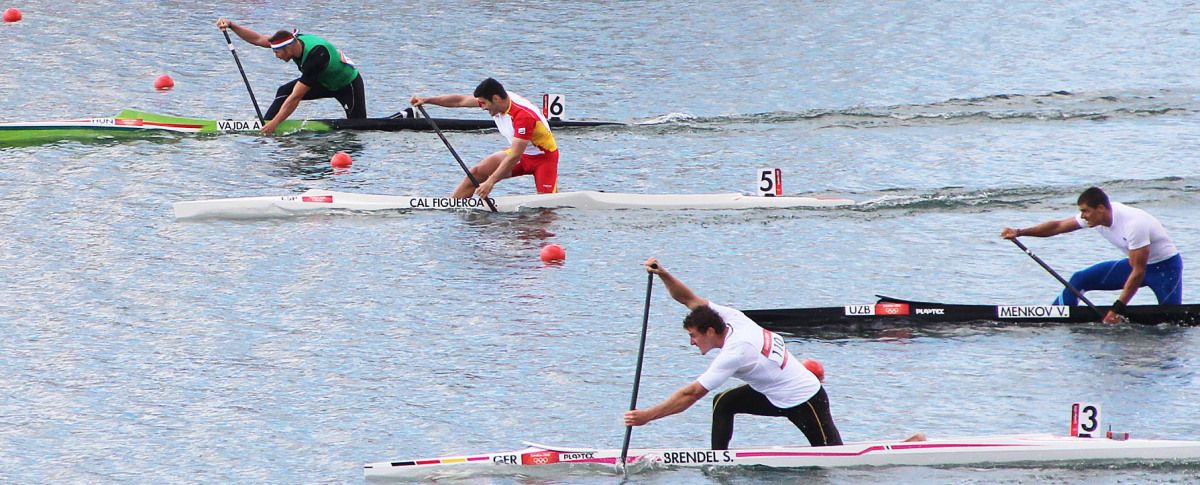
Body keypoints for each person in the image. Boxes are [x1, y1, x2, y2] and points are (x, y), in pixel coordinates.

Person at [622, 257, 843, 450]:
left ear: (710, 331)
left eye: (693, 336)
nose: (691, 342)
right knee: (724, 402)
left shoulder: (735, 352)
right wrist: (664, 274)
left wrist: (647, 416)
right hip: (773, 394)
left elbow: (691, 394)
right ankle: (720, 460)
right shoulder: (730, 317)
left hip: (805, 400)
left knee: (834, 457)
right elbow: (688, 299)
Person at [1001, 186, 1183, 323]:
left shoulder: (1134, 224)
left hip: (1166, 269)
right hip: (1136, 265)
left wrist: (1116, 309)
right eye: (1081, 211)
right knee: (1080, 279)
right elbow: (1057, 227)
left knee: (1173, 321)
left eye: (1085, 211)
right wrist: (1019, 232)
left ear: (1101, 209)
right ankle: (1054, 318)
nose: (1083, 216)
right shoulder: (1093, 217)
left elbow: (1138, 272)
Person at [410, 78, 559, 199]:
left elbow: (514, 156)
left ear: (495, 99)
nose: (482, 108)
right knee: (476, 173)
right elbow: (459, 101)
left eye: (485, 104)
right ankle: (451, 206)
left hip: (543, 159)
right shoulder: (497, 99)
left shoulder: (523, 116)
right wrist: (427, 100)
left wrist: (490, 182)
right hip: (521, 154)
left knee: (545, 209)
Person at [216, 18, 366, 134]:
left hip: (347, 85)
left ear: (288, 48)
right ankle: (264, 125)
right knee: (284, 91)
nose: (276, 56)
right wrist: (231, 25)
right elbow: (258, 39)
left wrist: (276, 123)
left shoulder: (316, 56)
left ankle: (271, 125)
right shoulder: (290, 42)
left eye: (277, 53)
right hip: (324, 82)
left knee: (358, 128)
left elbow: (296, 97)